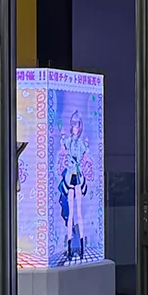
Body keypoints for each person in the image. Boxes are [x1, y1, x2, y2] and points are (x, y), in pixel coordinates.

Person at [57, 109, 90, 264]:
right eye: (74, 125)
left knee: (79, 213)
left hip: (77, 176)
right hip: (70, 176)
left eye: (77, 126)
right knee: (71, 213)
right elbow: (63, 149)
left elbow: (85, 156)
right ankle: (70, 247)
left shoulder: (81, 143)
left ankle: (81, 247)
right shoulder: (68, 141)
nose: (75, 128)